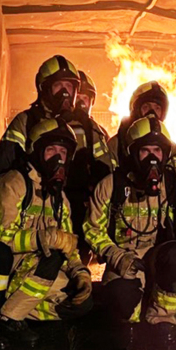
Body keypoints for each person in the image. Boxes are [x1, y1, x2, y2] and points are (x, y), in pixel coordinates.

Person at [84, 117, 176, 346]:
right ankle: (131, 330)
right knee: (121, 301)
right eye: (145, 151)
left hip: (159, 258)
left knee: (175, 255)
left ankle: (164, 322)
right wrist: (117, 256)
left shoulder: (174, 184)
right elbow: (92, 229)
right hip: (124, 260)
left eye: (157, 150)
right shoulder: (111, 185)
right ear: (133, 153)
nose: (152, 158)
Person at [0, 118, 94, 345]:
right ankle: (8, 318)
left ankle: (27, 314)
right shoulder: (14, 183)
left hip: (40, 271)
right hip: (10, 269)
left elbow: (69, 244)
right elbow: (0, 238)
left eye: (62, 151)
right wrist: (42, 238)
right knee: (52, 256)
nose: (58, 158)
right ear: (36, 152)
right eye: (51, 150)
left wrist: (81, 273)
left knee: (83, 304)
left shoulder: (59, 198)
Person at [0, 55, 81, 175]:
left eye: (69, 86)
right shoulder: (25, 121)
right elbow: (1, 164)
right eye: (58, 85)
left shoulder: (85, 126)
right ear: (44, 88)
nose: (64, 93)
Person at [63, 70, 113, 258]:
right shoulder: (58, 125)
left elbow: (106, 167)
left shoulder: (97, 131)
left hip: (86, 198)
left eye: (86, 98)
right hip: (67, 194)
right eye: (79, 97)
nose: (82, 103)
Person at [107, 80, 170, 171]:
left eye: (157, 108)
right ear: (135, 110)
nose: (151, 113)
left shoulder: (168, 144)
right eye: (146, 107)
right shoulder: (116, 145)